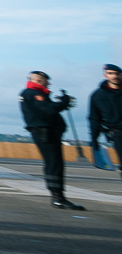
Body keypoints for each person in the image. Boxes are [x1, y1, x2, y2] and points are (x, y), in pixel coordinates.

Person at [21, 71, 84, 209]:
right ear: (39, 80)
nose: (48, 83)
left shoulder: (31, 93)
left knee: (54, 164)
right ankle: (58, 197)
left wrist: (59, 104)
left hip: (46, 132)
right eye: (46, 81)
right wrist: (63, 102)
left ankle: (58, 196)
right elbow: (47, 110)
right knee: (54, 164)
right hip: (46, 132)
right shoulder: (32, 93)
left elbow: (46, 109)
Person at [89, 64, 122, 164]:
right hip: (117, 133)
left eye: (117, 74)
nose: (114, 76)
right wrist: (94, 139)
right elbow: (94, 119)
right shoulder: (98, 96)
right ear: (105, 75)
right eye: (110, 73)